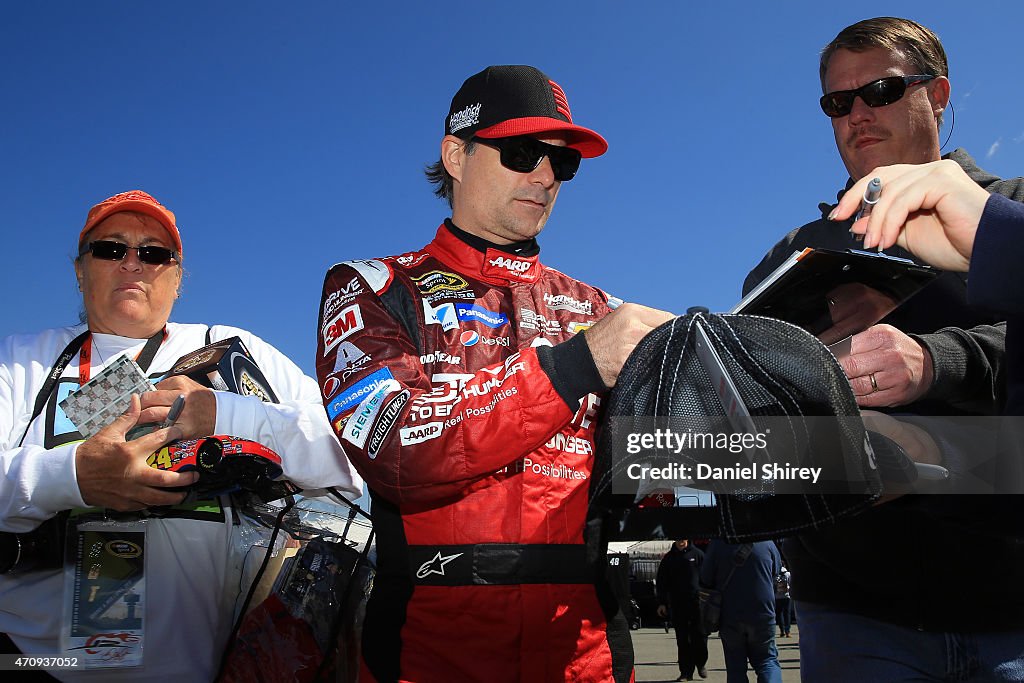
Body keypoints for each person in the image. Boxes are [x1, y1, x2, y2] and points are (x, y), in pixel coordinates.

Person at [315, 65, 673, 682]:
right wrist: (576, 365)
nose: (545, 177)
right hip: (429, 653)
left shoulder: (598, 310)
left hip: (584, 651)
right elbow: (395, 445)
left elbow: (649, 491)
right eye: (522, 152)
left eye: (562, 163)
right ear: (456, 154)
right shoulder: (370, 286)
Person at [742, 17, 1024, 681]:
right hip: (854, 613)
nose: (858, 114)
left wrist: (934, 362)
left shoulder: (1009, 214)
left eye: (883, 89)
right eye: (838, 102)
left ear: (940, 94)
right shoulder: (789, 262)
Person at [0, 190, 362, 682]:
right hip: (34, 660)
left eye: (153, 253)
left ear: (177, 280)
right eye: (110, 249)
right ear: (80, 270)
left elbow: (359, 455)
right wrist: (72, 477)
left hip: (212, 666)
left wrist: (228, 415)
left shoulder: (232, 348)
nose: (132, 264)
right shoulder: (21, 359)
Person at [700, 540, 782, 683]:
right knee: (767, 661)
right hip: (763, 611)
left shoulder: (718, 544)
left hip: (730, 613)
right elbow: (776, 571)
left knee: (735, 667)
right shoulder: (767, 542)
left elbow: (705, 579)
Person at [656, 539, 708, 681]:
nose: (681, 541)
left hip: (697, 605)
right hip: (678, 605)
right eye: (678, 538)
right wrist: (662, 603)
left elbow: (708, 577)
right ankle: (686, 672)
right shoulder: (668, 558)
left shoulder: (698, 555)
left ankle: (701, 663)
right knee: (682, 640)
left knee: (700, 637)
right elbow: (661, 582)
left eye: (683, 538)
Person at [773, 564, 792, 639]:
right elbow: (791, 583)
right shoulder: (788, 574)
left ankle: (782, 631)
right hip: (786, 596)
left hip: (777, 597)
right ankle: (788, 631)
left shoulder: (775, 574)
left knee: (779, 614)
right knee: (787, 614)